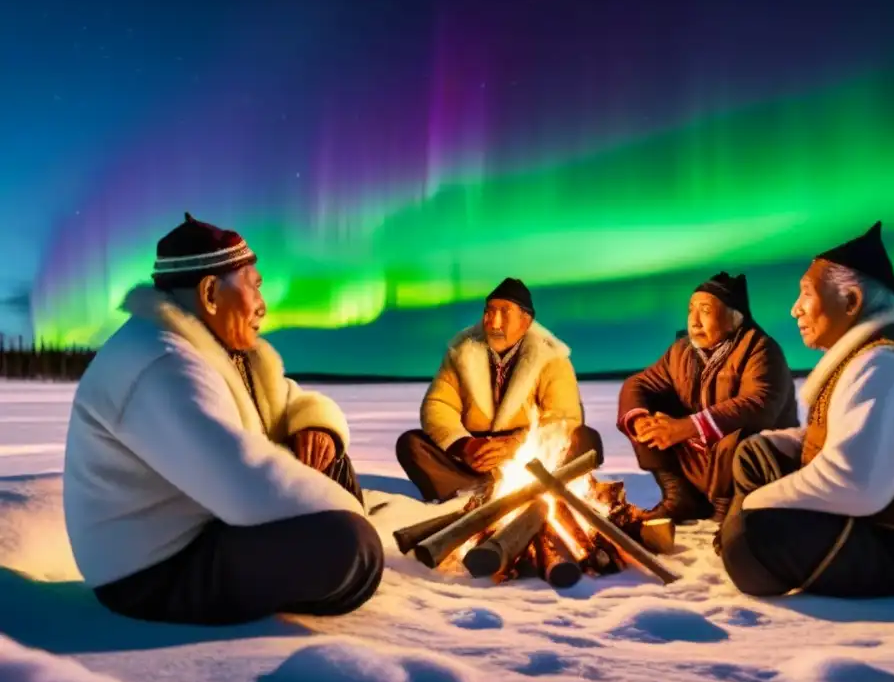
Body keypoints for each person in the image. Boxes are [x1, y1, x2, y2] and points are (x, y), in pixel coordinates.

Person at [63, 213, 383, 625]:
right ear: (211, 292)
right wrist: (350, 518)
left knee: (325, 452)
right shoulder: (161, 362)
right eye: (254, 287)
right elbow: (242, 484)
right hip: (152, 572)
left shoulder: (212, 350)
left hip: (200, 527)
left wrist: (314, 424)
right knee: (351, 546)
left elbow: (285, 402)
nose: (262, 306)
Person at [719, 221, 894, 597]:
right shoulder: (864, 357)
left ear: (851, 301)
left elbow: (854, 483)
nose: (795, 310)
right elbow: (854, 435)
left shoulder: (887, 365)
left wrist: (755, 505)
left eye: (806, 294)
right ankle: (743, 533)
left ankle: (745, 541)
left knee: (750, 538)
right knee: (755, 455)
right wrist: (785, 444)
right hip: (872, 518)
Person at [396, 278, 603, 501]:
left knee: (585, 440)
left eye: (504, 313)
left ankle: (526, 491)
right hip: (474, 456)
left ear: (526, 321)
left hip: (530, 457)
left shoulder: (551, 358)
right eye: (489, 312)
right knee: (411, 444)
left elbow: (563, 418)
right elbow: (438, 405)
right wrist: (465, 445)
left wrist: (512, 447)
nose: (494, 323)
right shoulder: (462, 352)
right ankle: (472, 493)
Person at [617, 272, 798, 523]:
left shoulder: (760, 350)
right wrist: (641, 420)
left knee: (737, 433)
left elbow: (759, 404)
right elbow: (639, 384)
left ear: (734, 318)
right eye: (691, 309)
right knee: (647, 415)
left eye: (705, 310)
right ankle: (679, 498)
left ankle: (729, 511)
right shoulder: (681, 351)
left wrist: (687, 427)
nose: (695, 321)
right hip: (702, 460)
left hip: (754, 465)